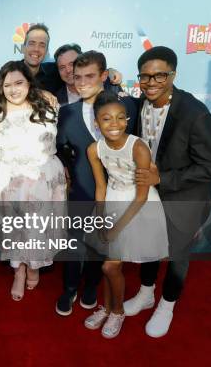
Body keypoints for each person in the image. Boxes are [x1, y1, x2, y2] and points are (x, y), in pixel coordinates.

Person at [123, 46, 211, 337]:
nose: (152, 82)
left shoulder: (194, 113)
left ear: (173, 75)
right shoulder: (139, 104)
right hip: (151, 196)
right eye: (145, 77)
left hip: (185, 197)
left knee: (178, 254)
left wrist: (163, 179)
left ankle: (167, 305)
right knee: (148, 245)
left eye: (160, 76)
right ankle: (146, 293)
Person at [55, 50, 138, 316]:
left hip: (114, 193)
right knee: (74, 243)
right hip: (79, 192)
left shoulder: (126, 106)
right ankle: (69, 289)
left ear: (104, 75)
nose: (82, 82)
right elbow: (60, 149)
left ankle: (91, 286)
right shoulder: (66, 113)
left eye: (89, 76)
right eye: (77, 77)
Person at [83, 92, 168, 339]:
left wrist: (116, 227)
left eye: (121, 118)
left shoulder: (138, 147)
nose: (115, 124)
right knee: (110, 264)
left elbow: (141, 196)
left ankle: (117, 311)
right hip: (113, 199)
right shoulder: (94, 149)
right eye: (107, 119)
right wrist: (101, 218)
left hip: (139, 206)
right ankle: (108, 307)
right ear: (96, 123)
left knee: (110, 266)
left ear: (127, 120)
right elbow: (100, 186)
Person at [0, 60, 66, 301]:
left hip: (43, 180)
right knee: (14, 230)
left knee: (37, 230)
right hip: (9, 180)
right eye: (7, 84)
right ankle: (19, 271)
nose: (13, 89)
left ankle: (33, 266)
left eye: (19, 82)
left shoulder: (49, 105)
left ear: (29, 83)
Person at [22, 24, 122, 94]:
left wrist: (110, 72)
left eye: (42, 45)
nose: (36, 49)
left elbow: (88, 65)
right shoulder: (10, 72)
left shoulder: (53, 69)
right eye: (32, 43)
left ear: (46, 50)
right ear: (22, 48)